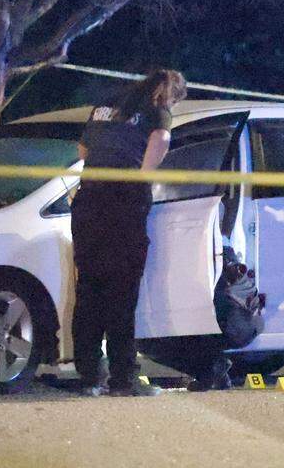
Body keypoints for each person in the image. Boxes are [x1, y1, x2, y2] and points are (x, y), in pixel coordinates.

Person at [72, 68, 188, 397]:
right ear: (172, 95)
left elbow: (82, 151)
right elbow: (162, 138)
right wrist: (144, 175)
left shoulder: (105, 105)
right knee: (122, 292)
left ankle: (89, 376)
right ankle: (124, 378)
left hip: (89, 199)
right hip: (123, 201)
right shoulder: (157, 109)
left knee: (90, 288)